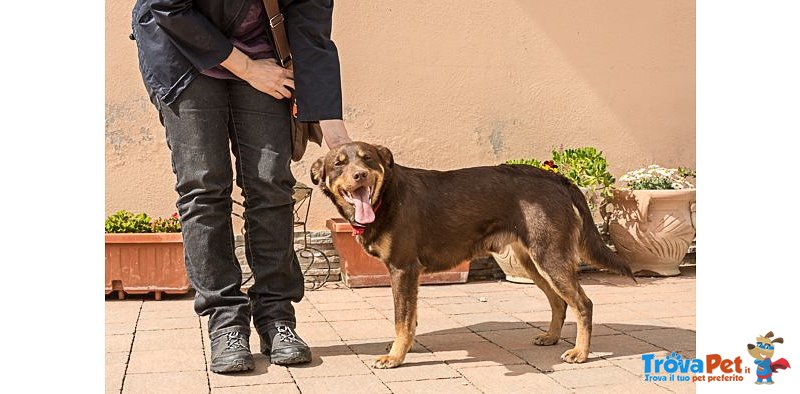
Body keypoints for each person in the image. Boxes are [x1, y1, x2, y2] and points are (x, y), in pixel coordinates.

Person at [131, 0, 351, 373]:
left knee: (272, 184)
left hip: (264, 56)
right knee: (204, 187)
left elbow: (309, 21)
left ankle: (276, 317)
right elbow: (166, 5)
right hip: (183, 53)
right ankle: (226, 322)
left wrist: (331, 122)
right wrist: (247, 69)